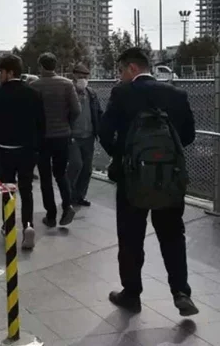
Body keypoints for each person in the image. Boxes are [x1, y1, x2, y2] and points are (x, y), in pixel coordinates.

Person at [100, 47, 198, 317]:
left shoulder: (122, 93)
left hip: (131, 180)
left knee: (131, 237)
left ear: (132, 68)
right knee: (172, 235)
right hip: (169, 178)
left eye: (121, 70)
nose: (120, 76)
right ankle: (181, 292)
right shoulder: (177, 95)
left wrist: (121, 157)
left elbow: (105, 132)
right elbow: (188, 136)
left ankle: (131, 294)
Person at [0, 54, 45, 250]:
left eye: (1, 71)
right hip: (28, 150)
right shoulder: (33, 94)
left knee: (8, 190)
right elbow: (41, 124)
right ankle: (28, 225)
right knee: (26, 189)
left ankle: (8, 224)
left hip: (6, 150)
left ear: (10, 72)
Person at [31, 53, 80, 228]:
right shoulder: (66, 84)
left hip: (42, 138)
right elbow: (76, 109)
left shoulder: (34, 85)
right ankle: (67, 206)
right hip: (62, 136)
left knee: (45, 177)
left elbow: (30, 113)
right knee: (60, 173)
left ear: (41, 66)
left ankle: (50, 215)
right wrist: (67, 123)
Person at [67, 64, 102, 207]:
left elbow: (98, 112)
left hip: (89, 136)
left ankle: (79, 196)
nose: (83, 79)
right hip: (73, 136)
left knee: (87, 169)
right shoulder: (68, 92)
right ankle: (68, 194)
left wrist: (99, 130)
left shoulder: (91, 93)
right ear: (74, 76)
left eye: (86, 77)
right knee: (76, 164)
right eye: (80, 76)